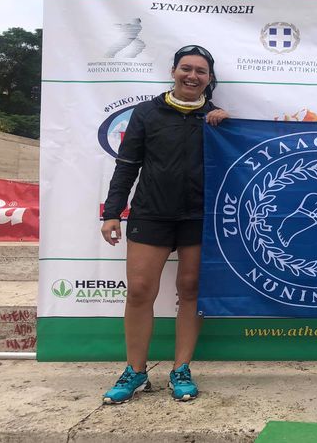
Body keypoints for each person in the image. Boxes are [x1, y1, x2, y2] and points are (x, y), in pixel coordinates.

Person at [100, 45, 229, 404]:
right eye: (186, 68)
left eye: (201, 71)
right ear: (173, 71)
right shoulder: (146, 113)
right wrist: (112, 212)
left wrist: (228, 126)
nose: (192, 76)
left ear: (209, 78)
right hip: (151, 214)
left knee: (190, 290)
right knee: (140, 291)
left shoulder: (216, 119)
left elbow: (236, 158)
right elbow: (127, 165)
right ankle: (135, 371)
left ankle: (181, 369)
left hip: (198, 217)